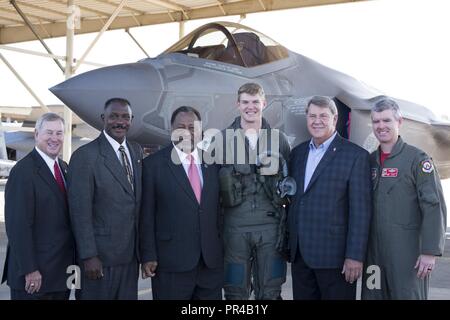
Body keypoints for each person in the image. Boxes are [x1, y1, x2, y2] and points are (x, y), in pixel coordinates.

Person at [287, 95, 372, 300]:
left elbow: (360, 211)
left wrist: (354, 256)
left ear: (335, 119)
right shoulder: (297, 154)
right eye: (312, 115)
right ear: (306, 118)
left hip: (335, 259)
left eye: (323, 116)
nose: (317, 121)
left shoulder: (355, 156)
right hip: (301, 257)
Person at [362, 98, 446, 300]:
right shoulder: (369, 161)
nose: (381, 126)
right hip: (373, 255)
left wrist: (429, 251)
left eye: (386, 121)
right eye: (376, 121)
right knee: (372, 297)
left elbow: (433, 205)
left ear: (399, 122)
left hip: (407, 255)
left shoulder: (418, 159)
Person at [140, 106, 223, 300]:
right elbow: (146, 215)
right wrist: (148, 255)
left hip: (210, 264)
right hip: (171, 264)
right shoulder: (153, 165)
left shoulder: (214, 163)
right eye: (181, 127)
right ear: (171, 130)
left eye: (192, 127)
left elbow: (218, 210)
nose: (187, 132)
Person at [217, 82, 291, 300]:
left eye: (255, 102)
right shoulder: (220, 140)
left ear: (264, 103)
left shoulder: (279, 140)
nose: (251, 107)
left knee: (270, 290)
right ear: (237, 104)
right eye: (246, 102)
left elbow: (288, 183)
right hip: (234, 229)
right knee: (234, 291)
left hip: (270, 227)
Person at [68, 98, 142, 300]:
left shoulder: (136, 151)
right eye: (114, 116)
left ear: (131, 120)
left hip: (129, 258)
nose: (120, 122)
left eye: (125, 117)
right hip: (99, 260)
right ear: (103, 119)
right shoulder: (85, 156)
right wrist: (89, 255)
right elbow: (79, 211)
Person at [1, 113, 75, 300]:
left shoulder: (64, 168)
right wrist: (30, 270)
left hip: (60, 274)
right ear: (36, 134)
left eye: (59, 133)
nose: (54, 138)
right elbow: (18, 227)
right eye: (48, 132)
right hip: (34, 278)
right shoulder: (23, 172)